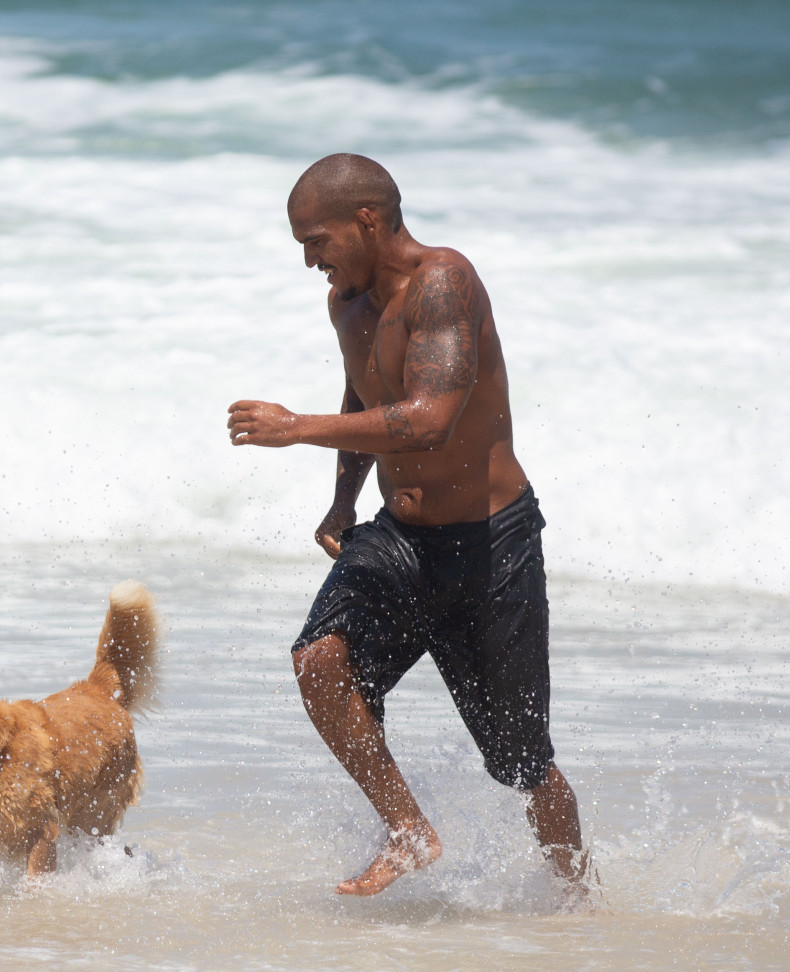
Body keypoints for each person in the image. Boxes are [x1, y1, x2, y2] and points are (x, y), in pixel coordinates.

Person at [227, 153, 592, 901]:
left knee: (523, 765)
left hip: (491, 544)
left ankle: (580, 896)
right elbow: (366, 390)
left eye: (316, 241)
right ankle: (408, 830)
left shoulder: (444, 282)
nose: (310, 261)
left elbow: (429, 419)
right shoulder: (346, 304)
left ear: (366, 220)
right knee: (319, 660)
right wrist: (343, 501)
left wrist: (295, 429)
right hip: (401, 535)